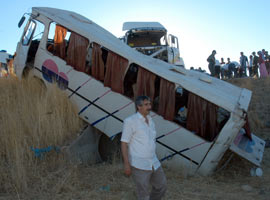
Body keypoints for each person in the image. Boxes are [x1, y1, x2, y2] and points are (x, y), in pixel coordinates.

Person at [121, 95, 167, 200]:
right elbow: (124, 143)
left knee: (162, 186)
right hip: (139, 164)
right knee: (143, 194)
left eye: (150, 104)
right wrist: (126, 164)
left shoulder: (150, 120)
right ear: (139, 106)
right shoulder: (130, 121)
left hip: (153, 162)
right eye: (146, 104)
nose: (149, 107)